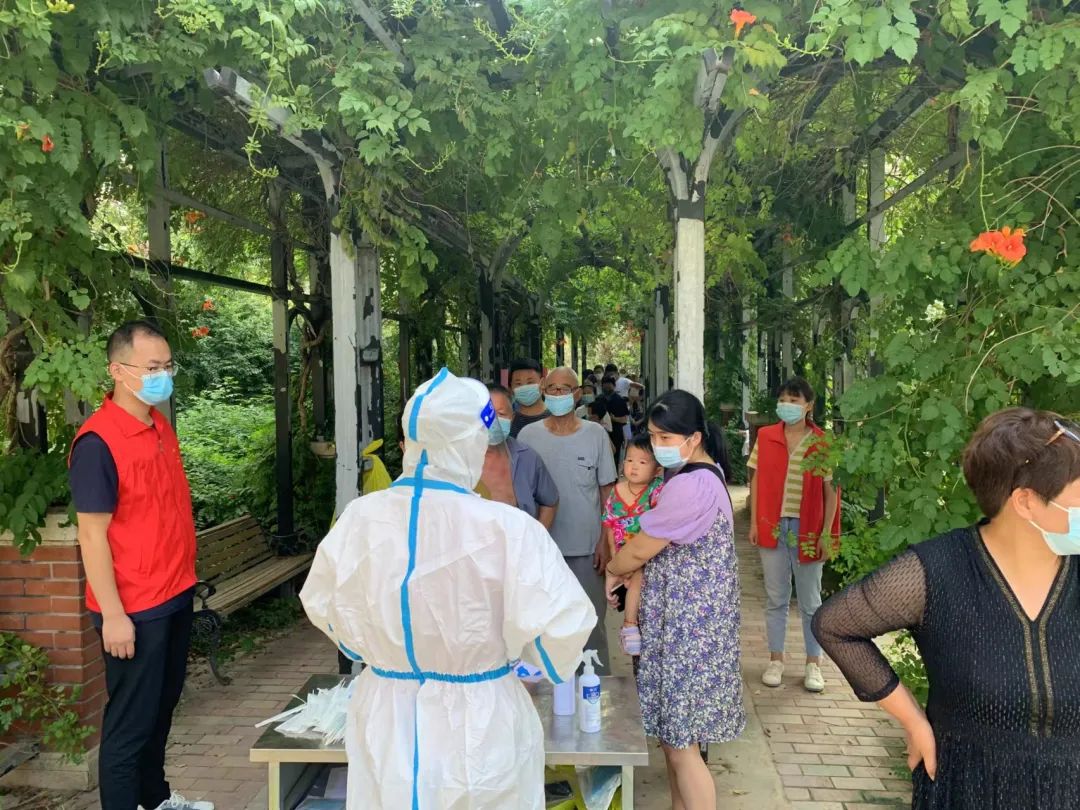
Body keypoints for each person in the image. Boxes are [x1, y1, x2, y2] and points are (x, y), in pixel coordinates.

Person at [301, 369, 596, 809]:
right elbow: (559, 633)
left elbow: (324, 605)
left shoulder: (360, 519)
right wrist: (524, 661)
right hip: (480, 721)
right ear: (472, 443)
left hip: (386, 713)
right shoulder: (508, 528)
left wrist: (379, 650)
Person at [813, 408, 1080, 810]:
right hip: (967, 787)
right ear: (1025, 501)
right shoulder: (939, 571)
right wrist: (912, 720)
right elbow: (835, 625)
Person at [67, 321, 212, 810]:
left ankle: (157, 799)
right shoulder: (97, 443)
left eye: (167, 366)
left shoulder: (157, 426)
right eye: (152, 368)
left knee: (160, 711)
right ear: (117, 371)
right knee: (129, 726)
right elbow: (92, 535)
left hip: (173, 591)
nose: (162, 376)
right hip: (134, 606)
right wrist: (113, 615)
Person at [605, 390, 745, 810]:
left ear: (694, 438)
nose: (658, 445)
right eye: (652, 436)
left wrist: (613, 569)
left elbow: (639, 550)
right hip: (683, 625)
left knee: (682, 745)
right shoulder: (699, 474)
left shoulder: (691, 485)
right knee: (675, 740)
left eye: (666, 437)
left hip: (689, 631)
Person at [519, 366, 618, 669]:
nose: (558, 394)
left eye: (565, 389)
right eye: (552, 388)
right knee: (543, 626)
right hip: (542, 550)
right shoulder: (528, 436)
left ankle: (596, 688)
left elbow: (607, 492)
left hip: (587, 550)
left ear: (577, 395)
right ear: (544, 392)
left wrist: (605, 541)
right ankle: (548, 688)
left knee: (590, 624)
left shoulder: (595, 435)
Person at [748, 377, 839, 693]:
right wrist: (755, 522)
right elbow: (756, 480)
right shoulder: (766, 436)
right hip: (773, 525)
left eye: (794, 400)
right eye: (783, 399)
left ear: (809, 406)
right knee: (776, 598)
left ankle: (814, 663)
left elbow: (831, 491)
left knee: (811, 600)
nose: (787, 405)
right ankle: (776, 659)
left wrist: (826, 533)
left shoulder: (822, 442)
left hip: (808, 528)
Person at [602, 433, 664, 656]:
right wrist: (615, 559)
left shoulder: (657, 490)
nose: (634, 466)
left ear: (657, 469)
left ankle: (629, 626)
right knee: (622, 585)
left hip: (645, 554)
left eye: (642, 462)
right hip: (623, 554)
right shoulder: (616, 491)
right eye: (629, 460)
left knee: (637, 578)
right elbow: (609, 525)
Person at [483, 383, 559, 528]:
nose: (494, 420)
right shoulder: (458, 458)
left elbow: (550, 502)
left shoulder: (527, 458)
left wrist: (537, 537)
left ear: (512, 418)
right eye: (488, 413)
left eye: (501, 414)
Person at [508, 357, 548, 437]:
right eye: (518, 383)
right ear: (511, 388)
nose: (524, 387)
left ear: (542, 383)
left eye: (530, 382)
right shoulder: (507, 423)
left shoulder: (556, 418)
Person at [600, 375, 630, 466]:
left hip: (616, 434)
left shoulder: (620, 400)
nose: (607, 386)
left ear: (614, 385)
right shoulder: (599, 399)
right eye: (605, 384)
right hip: (601, 433)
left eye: (609, 384)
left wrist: (614, 419)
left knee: (614, 459)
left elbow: (625, 419)